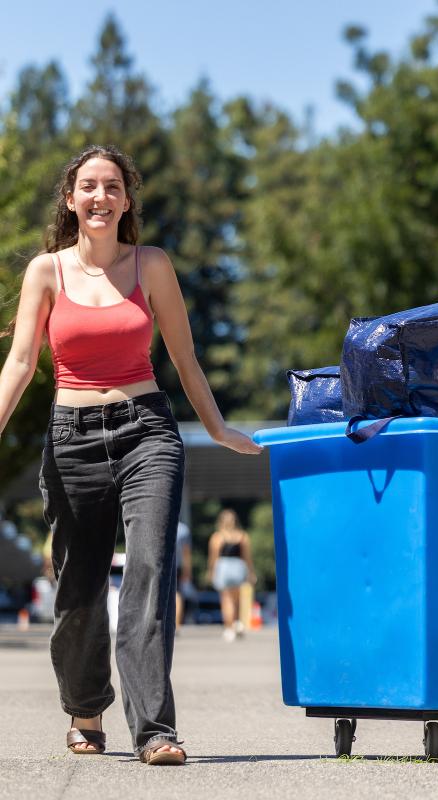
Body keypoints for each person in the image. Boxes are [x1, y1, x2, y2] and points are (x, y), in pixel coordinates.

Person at [0, 145, 262, 765]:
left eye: (112, 187)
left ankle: (154, 730)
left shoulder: (151, 266)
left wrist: (218, 429)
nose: (99, 197)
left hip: (147, 430)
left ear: (126, 200)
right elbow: (20, 362)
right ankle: (85, 709)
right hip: (72, 438)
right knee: (78, 590)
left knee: (148, 574)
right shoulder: (46, 272)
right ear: (71, 199)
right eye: (88, 187)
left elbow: (184, 358)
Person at [206, 509, 256, 642]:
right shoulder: (242, 536)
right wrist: (251, 572)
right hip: (238, 567)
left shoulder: (217, 537)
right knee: (238, 599)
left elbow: (213, 557)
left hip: (224, 567)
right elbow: (247, 557)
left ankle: (229, 628)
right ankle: (238, 623)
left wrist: (211, 572)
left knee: (226, 599)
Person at [175, 520, 193, 628]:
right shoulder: (183, 529)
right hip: (177, 565)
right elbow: (186, 552)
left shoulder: (157, 522)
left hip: (160, 563)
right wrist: (187, 570)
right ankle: (176, 624)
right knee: (177, 594)